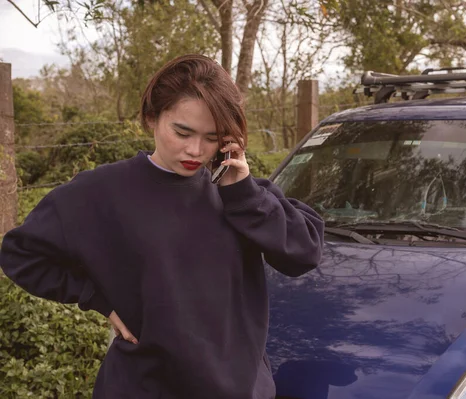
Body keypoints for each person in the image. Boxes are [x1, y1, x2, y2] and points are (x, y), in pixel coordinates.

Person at [0, 54, 324, 399]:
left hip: (240, 389)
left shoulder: (241, 194)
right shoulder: (100, 192)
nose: (195, 149)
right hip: (142, 386)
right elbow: (21, 253)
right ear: (152, 117)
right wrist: (97, 299)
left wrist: (243, 194)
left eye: (212, 137)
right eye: (182, 131)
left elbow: (304, 254)